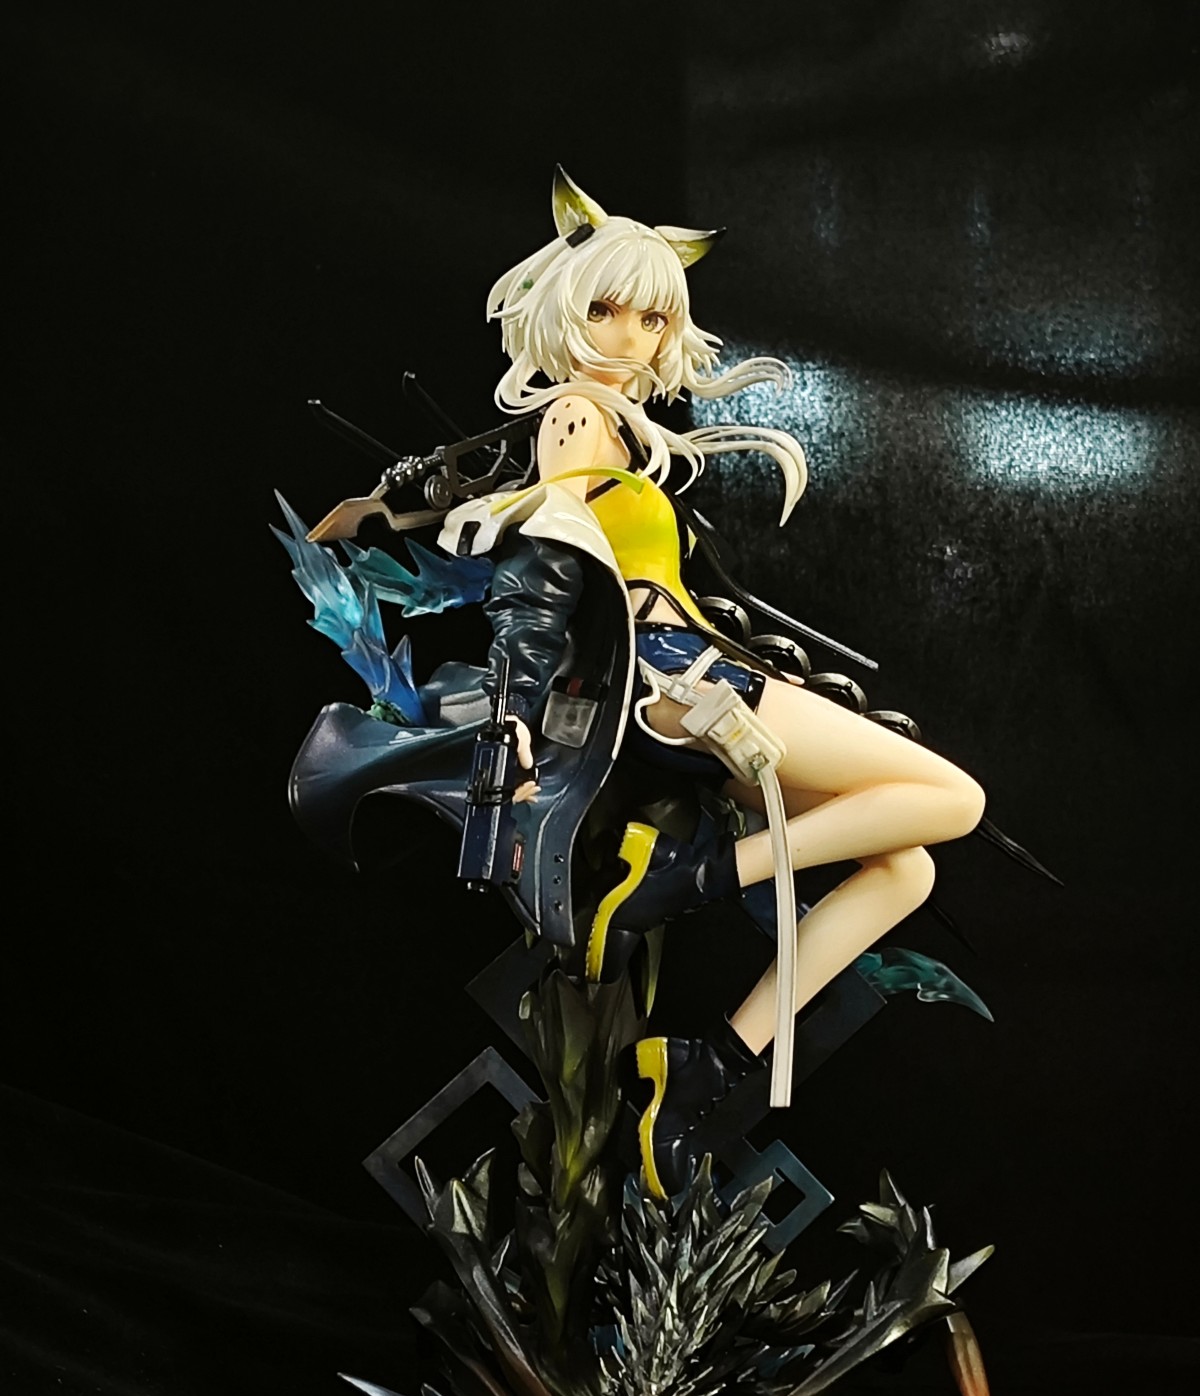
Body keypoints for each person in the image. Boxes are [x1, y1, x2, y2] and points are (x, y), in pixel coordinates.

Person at [296, 168, 986, 1197]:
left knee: (907, 868)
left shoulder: (608, 426)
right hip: (676, 685)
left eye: (651, 316)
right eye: (605, 310)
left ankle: (709, 1068)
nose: (626, 336)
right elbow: (543, 569)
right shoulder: (580, 418)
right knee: (956, 799)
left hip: (700, 679)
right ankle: (674, 883)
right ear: (561, 311)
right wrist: (514, 713)